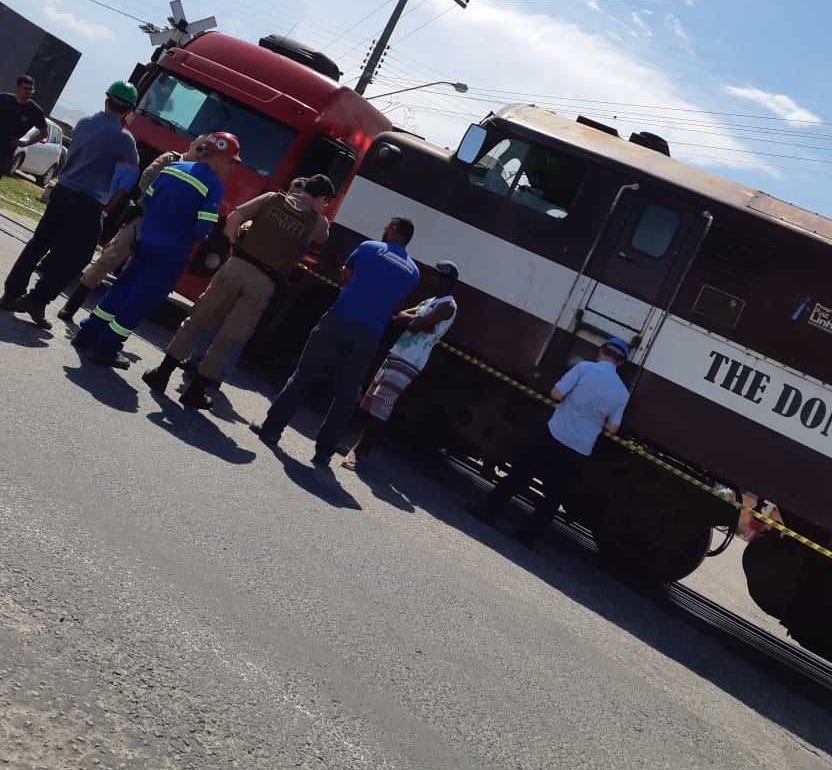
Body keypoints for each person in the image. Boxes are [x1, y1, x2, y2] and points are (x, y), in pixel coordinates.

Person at [142, 173, 335, 408]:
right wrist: (317, 211)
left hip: (236, 265)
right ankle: (196, 391)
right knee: (230, 338)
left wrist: (235, 245)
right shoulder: (317, 222)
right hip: (264, 281)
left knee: (198, 321)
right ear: (322, 198)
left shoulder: (271, 198)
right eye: (326, 202)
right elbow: (323, 237)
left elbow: (233, 218)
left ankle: (162, 373)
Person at [251, 216, 420, 467]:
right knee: (346, 394)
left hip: (339, 319)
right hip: (369, 334)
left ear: (394, 229)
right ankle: (324, 453)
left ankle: (272, 429)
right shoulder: (413, 272)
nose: (384, 230)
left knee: (303, 375)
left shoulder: (369, 248)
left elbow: (346, 276)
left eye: (386, 227)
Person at [71, 132, 240, 368]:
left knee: (121, 288)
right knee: (140, 300)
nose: (233, 168)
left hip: (145, 241)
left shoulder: (174, 168)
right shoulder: (213, 186)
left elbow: (148, 200)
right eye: (232, 162)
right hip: (170, 254)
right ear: (219, 159)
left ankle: (88, 333)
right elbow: (202, 229)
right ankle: (107, 348)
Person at [0, 81, 139, 327]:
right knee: (79, 255)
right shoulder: (123, 137)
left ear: (106, 100)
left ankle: (11, 294)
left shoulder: (84, 123)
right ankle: (38, 299)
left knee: (39, 244)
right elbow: (131, 163)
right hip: (88, 202)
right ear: (129, 110)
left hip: (63, 191)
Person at [472, 339, 631, 547]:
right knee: (554, 495)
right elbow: (613, 427)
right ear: (621, 363)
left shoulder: (584, 368)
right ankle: (528, 536)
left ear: (601, 352)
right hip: (579, 448)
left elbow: (556, 394)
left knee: (519, 475)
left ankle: (488, 513)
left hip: (554, 433)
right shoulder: (622, 392)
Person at [57, 135, 210, 322]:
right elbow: (146, 179)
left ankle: (102, 318)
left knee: (132, 273)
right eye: (200, 148)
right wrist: (162, 202)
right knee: (108, 258)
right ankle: (73, 304)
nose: (201, 154)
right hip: (143, 217)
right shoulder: (171, 159)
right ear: (192, 144)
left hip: (163, 230)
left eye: (206, 152)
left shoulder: (202, 177)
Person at [341, 260, 459, 470]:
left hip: (409, 361)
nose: (431, 278)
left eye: (436, 275)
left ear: (446, 281)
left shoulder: (448, 306)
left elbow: (412, 325)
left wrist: (418, 320)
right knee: (373, 400)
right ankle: (358, 447)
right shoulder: (431, 301)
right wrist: (422, 320)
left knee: (383, 404)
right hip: (397, 354)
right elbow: (400, 318)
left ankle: (359, 452)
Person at [0, 75, 48, 178]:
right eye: (25, 88)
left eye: (31, 89)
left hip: (5, 149)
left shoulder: (36, 111)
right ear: (17, 88)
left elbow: (44, 133)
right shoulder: (3, 98)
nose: (28, 91)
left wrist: (25, 143)